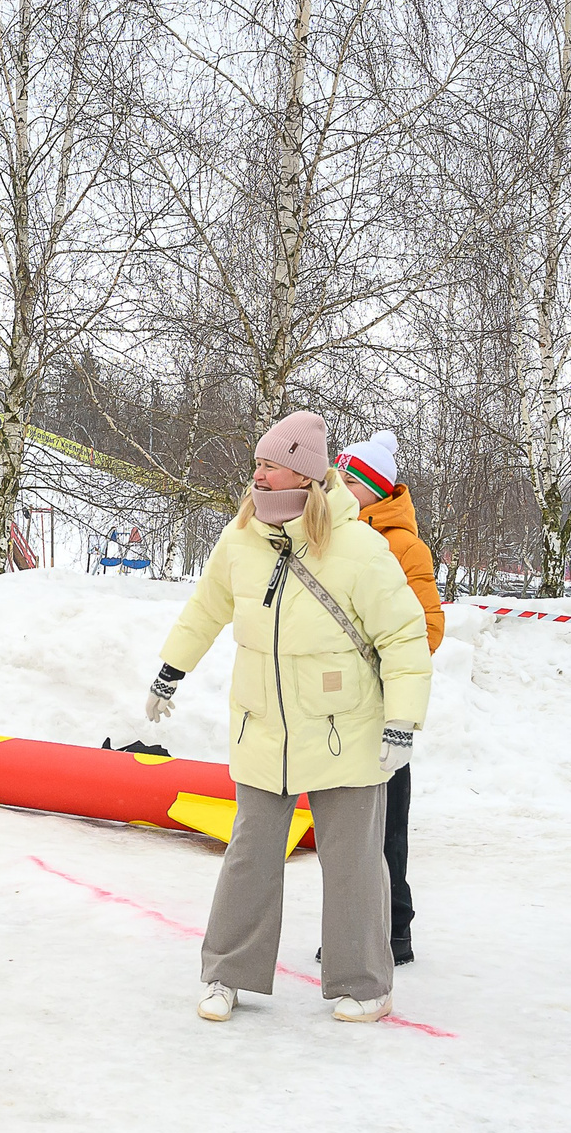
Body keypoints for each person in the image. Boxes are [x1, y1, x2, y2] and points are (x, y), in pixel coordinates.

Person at [147, 410, 431, 1025]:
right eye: (257, 462)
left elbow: (405, 637)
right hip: (262, 724)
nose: (256, 474)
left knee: (352, 859)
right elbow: (206, 608)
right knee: (250, 852)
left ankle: (364, 983)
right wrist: (171, 669)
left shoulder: (357, 545)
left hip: (342, 724)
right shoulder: (242, 535)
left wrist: (401, 723)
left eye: (268, 464)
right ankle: (226, 973)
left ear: (302, 474)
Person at [335, 431, 443, 965]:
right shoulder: (333, 535)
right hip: (337, 707)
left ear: (373, 490)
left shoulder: (405, 546)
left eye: (349, 481)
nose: (338, 488)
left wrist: (380, 662)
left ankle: (394, 929)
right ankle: (355, 927)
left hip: (381, 707)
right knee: (349, 829)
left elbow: (428, 628)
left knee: (385, 825)